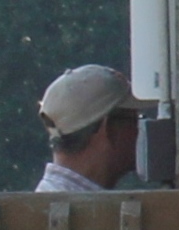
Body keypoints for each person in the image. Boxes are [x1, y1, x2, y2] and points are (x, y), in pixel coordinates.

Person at [37, 63, 143, 192]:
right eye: (136, 120)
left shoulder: (48, 204)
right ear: (108, 129)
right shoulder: (81, 209)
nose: (140, 130)